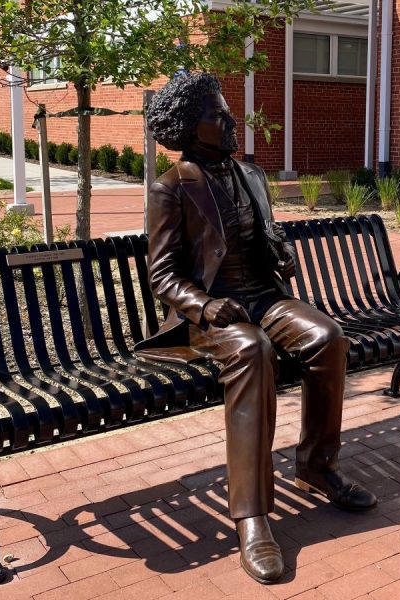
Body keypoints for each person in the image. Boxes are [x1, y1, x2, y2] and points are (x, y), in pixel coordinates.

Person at [135, 72, 377, 584]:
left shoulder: (251, 176)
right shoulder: (171, 187)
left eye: (226, 112)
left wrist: (278, 251)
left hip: (264, 297)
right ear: (189, 126)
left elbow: (263, 237)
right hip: (210, 317)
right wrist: (203, 304)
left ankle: (316, 463)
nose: (229, 121)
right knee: (252, 351)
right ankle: (251, 515)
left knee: (328, 337)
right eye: (216, 115)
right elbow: (162, 275)